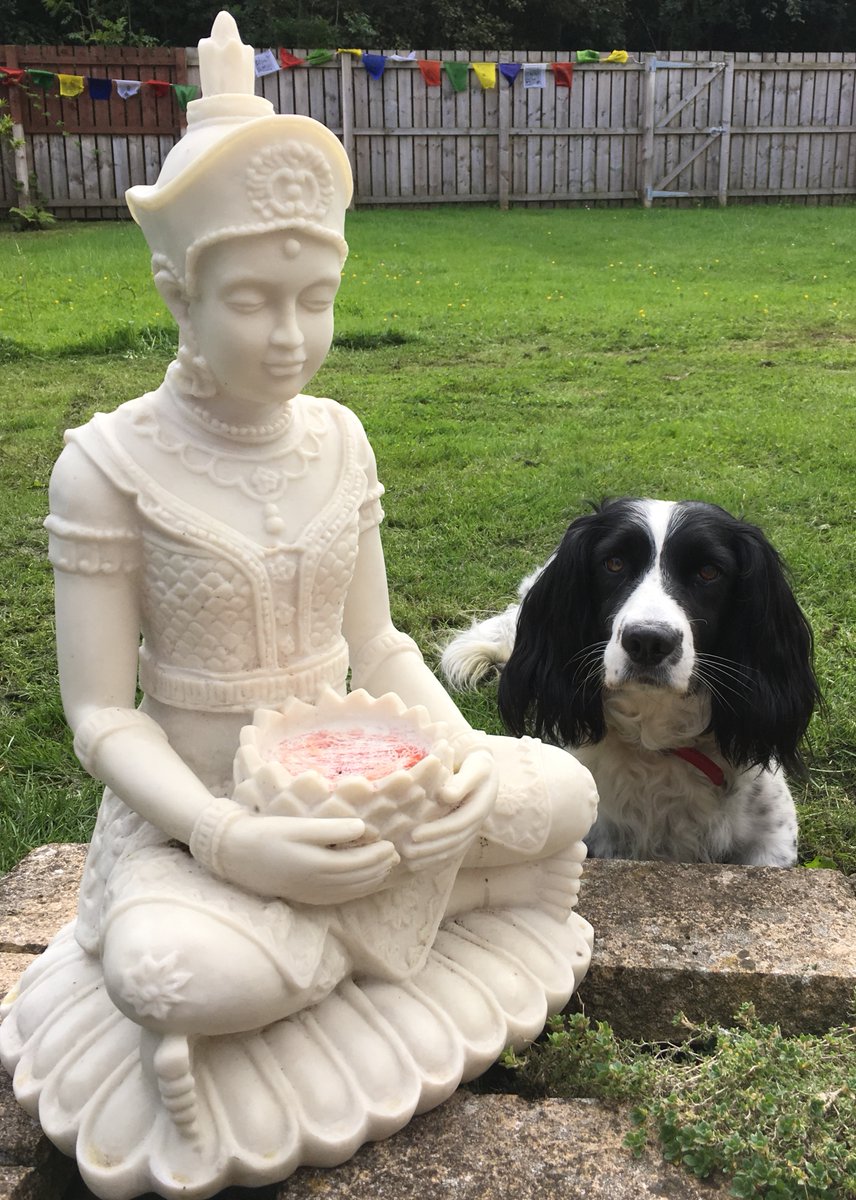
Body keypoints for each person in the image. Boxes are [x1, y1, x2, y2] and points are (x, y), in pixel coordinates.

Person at [1, 15, 596, 1194]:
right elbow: (100, 718)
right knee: (169, 976)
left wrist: (460, 754)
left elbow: (375, 642)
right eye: (255, 301)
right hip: (202, 817)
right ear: (179, 287)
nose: (291, 337)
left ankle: (364, 918)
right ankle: (417, 915)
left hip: (369, 776)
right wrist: (228, 839)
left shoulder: (340, 436)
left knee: (562, 790)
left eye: (314, 299)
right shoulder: (107, 466)